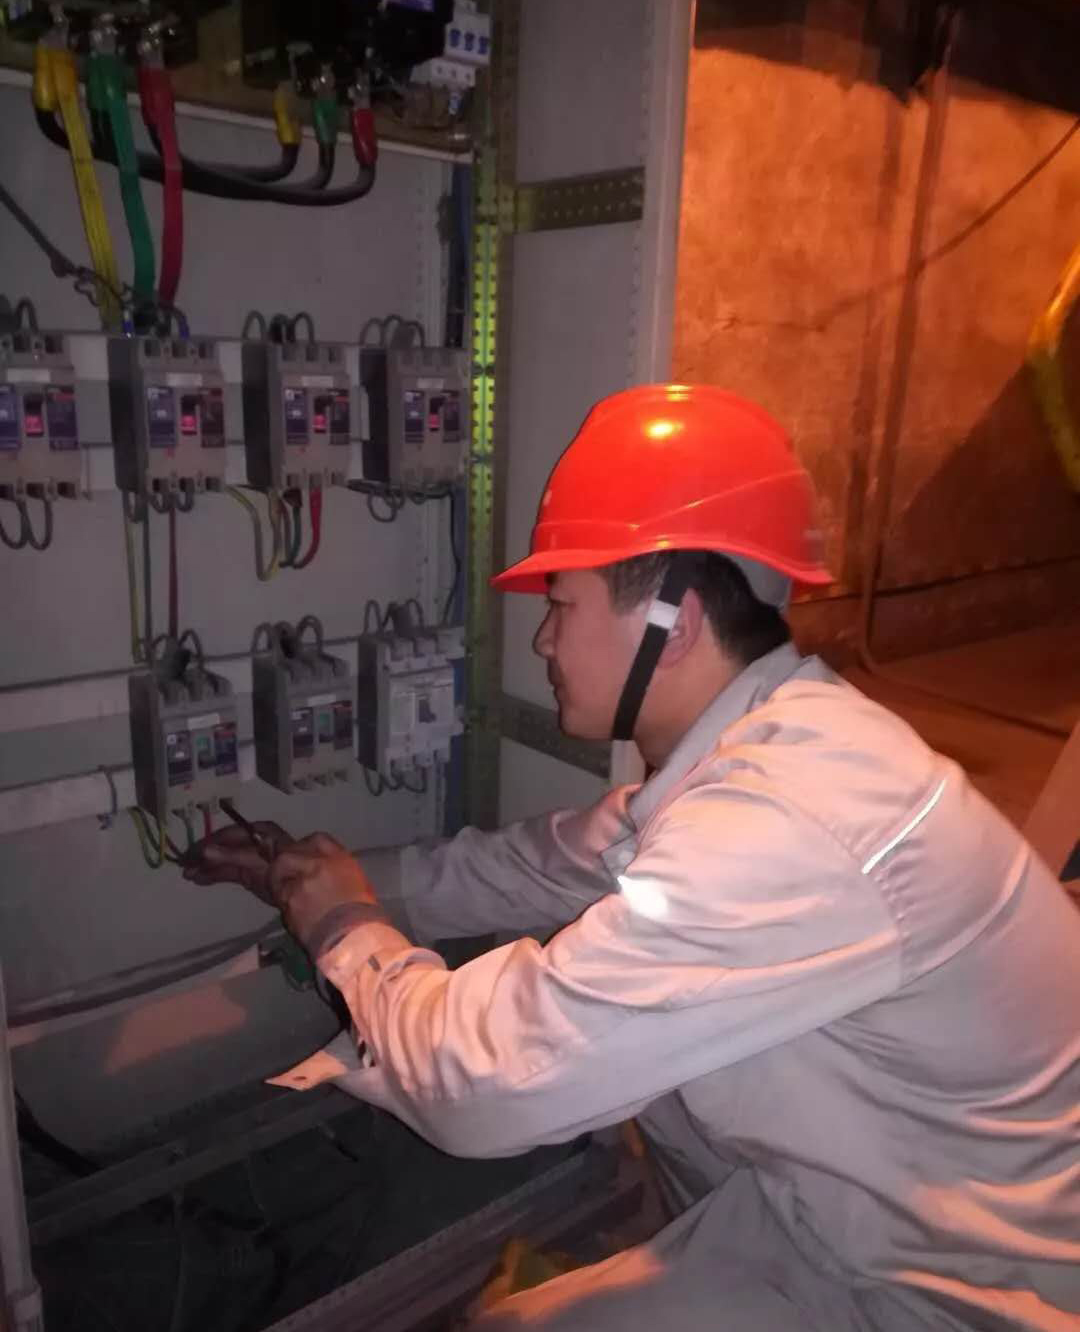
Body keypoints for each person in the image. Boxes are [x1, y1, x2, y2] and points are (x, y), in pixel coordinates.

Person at [186, 384, 1080, 1331]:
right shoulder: (767, 752)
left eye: (560, 602)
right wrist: (321, 875)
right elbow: (542, 863)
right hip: (864, 1205)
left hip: (966, 1290)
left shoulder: (793, 819)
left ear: (671, 621)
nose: (542, 638)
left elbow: (483, 1085)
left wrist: (345, 929)